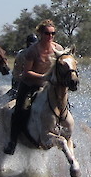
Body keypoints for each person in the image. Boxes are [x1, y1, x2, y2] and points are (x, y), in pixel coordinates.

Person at [4, 20, 64, 155]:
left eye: (53, 33)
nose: (50, 36)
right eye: (47, 33)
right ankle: (12, 141)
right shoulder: (32, 51)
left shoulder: (58, 49)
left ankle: (64, 134)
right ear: (41, 34)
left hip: (49, 86)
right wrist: (44, 77)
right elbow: (26, 73)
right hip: (30, 85)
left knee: (65, 106)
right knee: (20, 109)